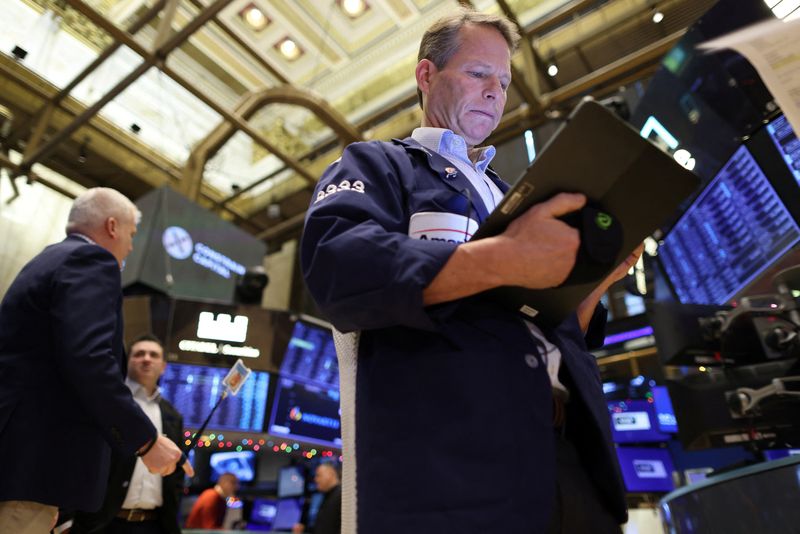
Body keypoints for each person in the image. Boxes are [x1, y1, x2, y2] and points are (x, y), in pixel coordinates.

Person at [301, 9, 642, 534]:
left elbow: (551, 326)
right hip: (455, 465)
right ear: (426, 75)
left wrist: (594, 282)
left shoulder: (514, 195)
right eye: (479, 73)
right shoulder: (378, 164)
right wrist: (502, 256)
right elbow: (337, 263)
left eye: (504, 82)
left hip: (569, 459)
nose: (495, 92)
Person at [0, 187, 192, 534]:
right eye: (132, 234)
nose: (131, 246)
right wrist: (146, 441)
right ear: (113, 227)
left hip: (19, 464)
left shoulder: (49, 258)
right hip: (29, 468)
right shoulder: (92, 261)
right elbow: (88, 358)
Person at [70, 334, 185, 534]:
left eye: (154, 355)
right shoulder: (110, 404)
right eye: (139, 354)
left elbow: (175, 477)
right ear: (127, 361)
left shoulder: (173, 415)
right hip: (104, 524)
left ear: (164, 366)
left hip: (154, 525)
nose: (147, 359)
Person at [292, 463, 342, 534]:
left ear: (331, 474)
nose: (315, 479)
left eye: (319, 475)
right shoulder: (327, 496)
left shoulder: (341, 496)